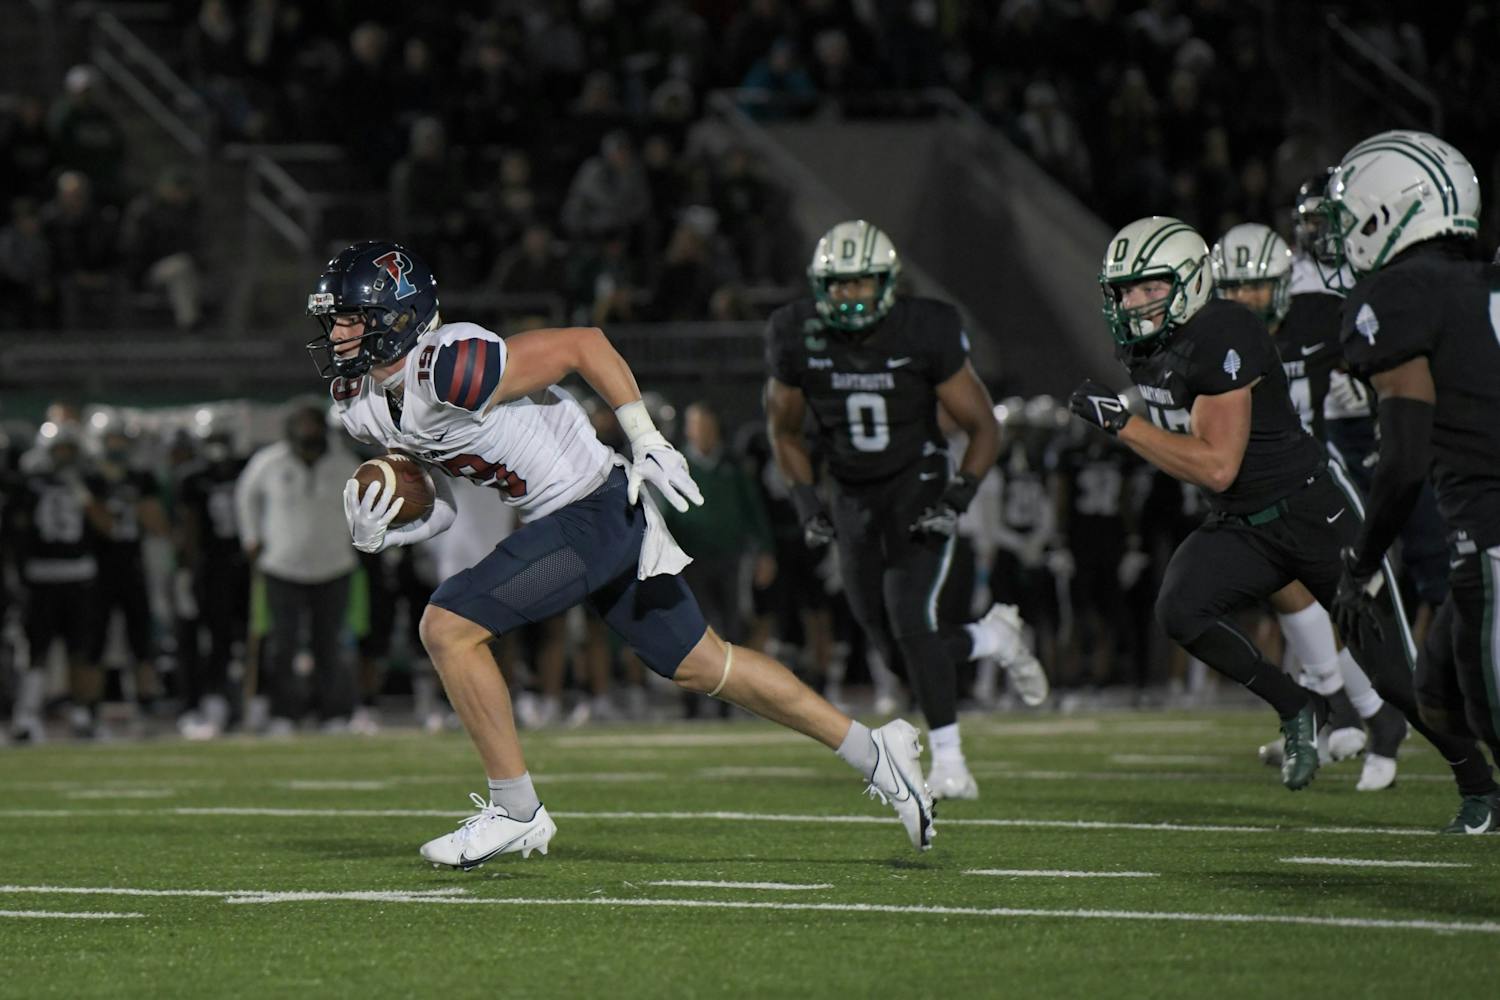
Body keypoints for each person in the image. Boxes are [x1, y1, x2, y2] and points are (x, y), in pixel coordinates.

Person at [306, 240, 935, 866]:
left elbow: (585, 345)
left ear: (397, 317)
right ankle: (873, 751)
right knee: (703, 664)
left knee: (446, 627)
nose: (336, 332)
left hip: (594, 508)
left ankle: (517, 810)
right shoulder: (359, 402)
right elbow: (441, 503)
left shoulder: (448, 364)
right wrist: (387, 529)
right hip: (585, 517)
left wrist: (647, 437)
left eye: (351, 317)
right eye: (333, 317)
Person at [1072, 216, 1499, 821]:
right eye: (1125, 291)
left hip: (1311, 511)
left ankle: (1479, 785)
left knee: (1395, 678)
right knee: (1179, 608)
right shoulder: (1148, 347)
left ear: (1191, 281)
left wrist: (1122, 423)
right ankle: (1297, 703)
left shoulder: (1223, 328)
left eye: (1150, 288)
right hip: (1242, 522)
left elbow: (1219, 464)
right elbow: (1203, 464)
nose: (1134, 304)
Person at [764, 220, 1048, 802]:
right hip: (849, 492)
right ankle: (991, 639)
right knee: (895, 651)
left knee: (909, 616)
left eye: (861, 283)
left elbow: (981, 426)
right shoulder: (796, 333)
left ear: (887, 282)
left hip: (915, 483)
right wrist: (805, 500)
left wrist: (957, 497)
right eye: (838, 285)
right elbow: (784, 429)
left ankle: (950, 762)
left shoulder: (926, 327)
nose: (849, 296)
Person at [1327, 130, 1500, 833]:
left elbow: (1402, 455)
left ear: (1386, 210)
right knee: (1436, 691)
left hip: (1490, 524)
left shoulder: (1401, 294)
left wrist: (1363, 562)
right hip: (1478, 528)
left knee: (1486, 705)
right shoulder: (1481, 280)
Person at [234, 402, 361, 733]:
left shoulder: (345, 463)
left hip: (334, 564)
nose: (308, 432)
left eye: (313, 425)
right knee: (282, 644)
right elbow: (245, 497)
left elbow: (363, 505)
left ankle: (332, 713)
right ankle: (284, 714)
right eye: (301, 425)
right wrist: (251, 537)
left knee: (329, 644)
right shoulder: (268, 463)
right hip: (281, 566)